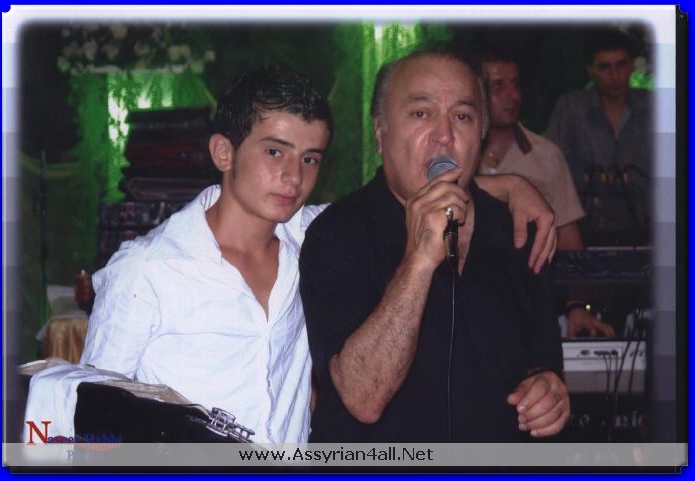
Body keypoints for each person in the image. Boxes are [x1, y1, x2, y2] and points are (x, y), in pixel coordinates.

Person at [74, 64, 558, 444]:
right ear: (224, 153)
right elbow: (87, 419)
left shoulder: (308, 235)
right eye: (274, 152)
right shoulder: (146, 269)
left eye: (309, 159)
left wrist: (510, 185)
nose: (293, 176)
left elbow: (403, 195)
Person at [300, 49, 570, 443]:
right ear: (380, 132)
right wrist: (419, 260)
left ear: (480, 135)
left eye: (462, 117)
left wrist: (549, 393)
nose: (444, 135)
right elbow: (362, 398)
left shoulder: (519, 230)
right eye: (421, 113)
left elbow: (542, 364)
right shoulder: (338, 234)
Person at [476, 49, 615, 338]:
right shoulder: (454, 154)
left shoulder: (547, 155)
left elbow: (569, 240)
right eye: (498, 86)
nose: (512, 95)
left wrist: (578, 306)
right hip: (468, 307)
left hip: (531, 310)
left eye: (516, 84)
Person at [545, 28, 652, 194]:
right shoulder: (571, 108)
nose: (615, 75)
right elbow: (551, 166)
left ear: (632, 65)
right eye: (604, 67)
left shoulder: (653, 106)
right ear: (590, 70)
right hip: (585, 207)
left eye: (621, 65)